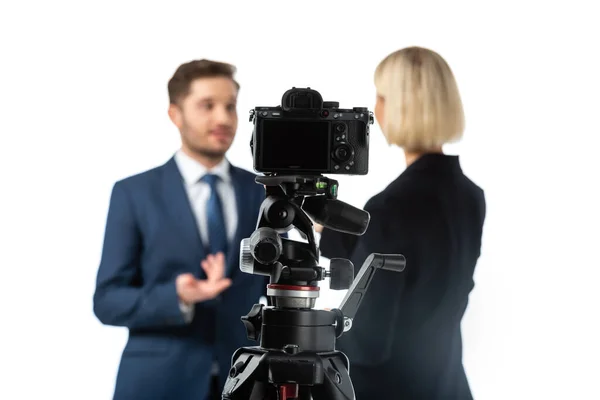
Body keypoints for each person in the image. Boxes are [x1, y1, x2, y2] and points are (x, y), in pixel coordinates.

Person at [93, 59, 268, 400]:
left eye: (230, 106)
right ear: (175, 114)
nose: (223, 119)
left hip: (249, 382)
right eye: (207, 106)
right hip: (158, 383)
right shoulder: (134, 193)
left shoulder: (262, 193)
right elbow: (107, 300)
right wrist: (178, 297)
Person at [318, 46, 486, 399]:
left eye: (381, 96)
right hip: (446, 382)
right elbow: (419, 264)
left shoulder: (390, 208)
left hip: (394, 388)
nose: (375, 108)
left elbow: (369, 342)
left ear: (398, 107)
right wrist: (328, 227)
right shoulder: (470, 197)